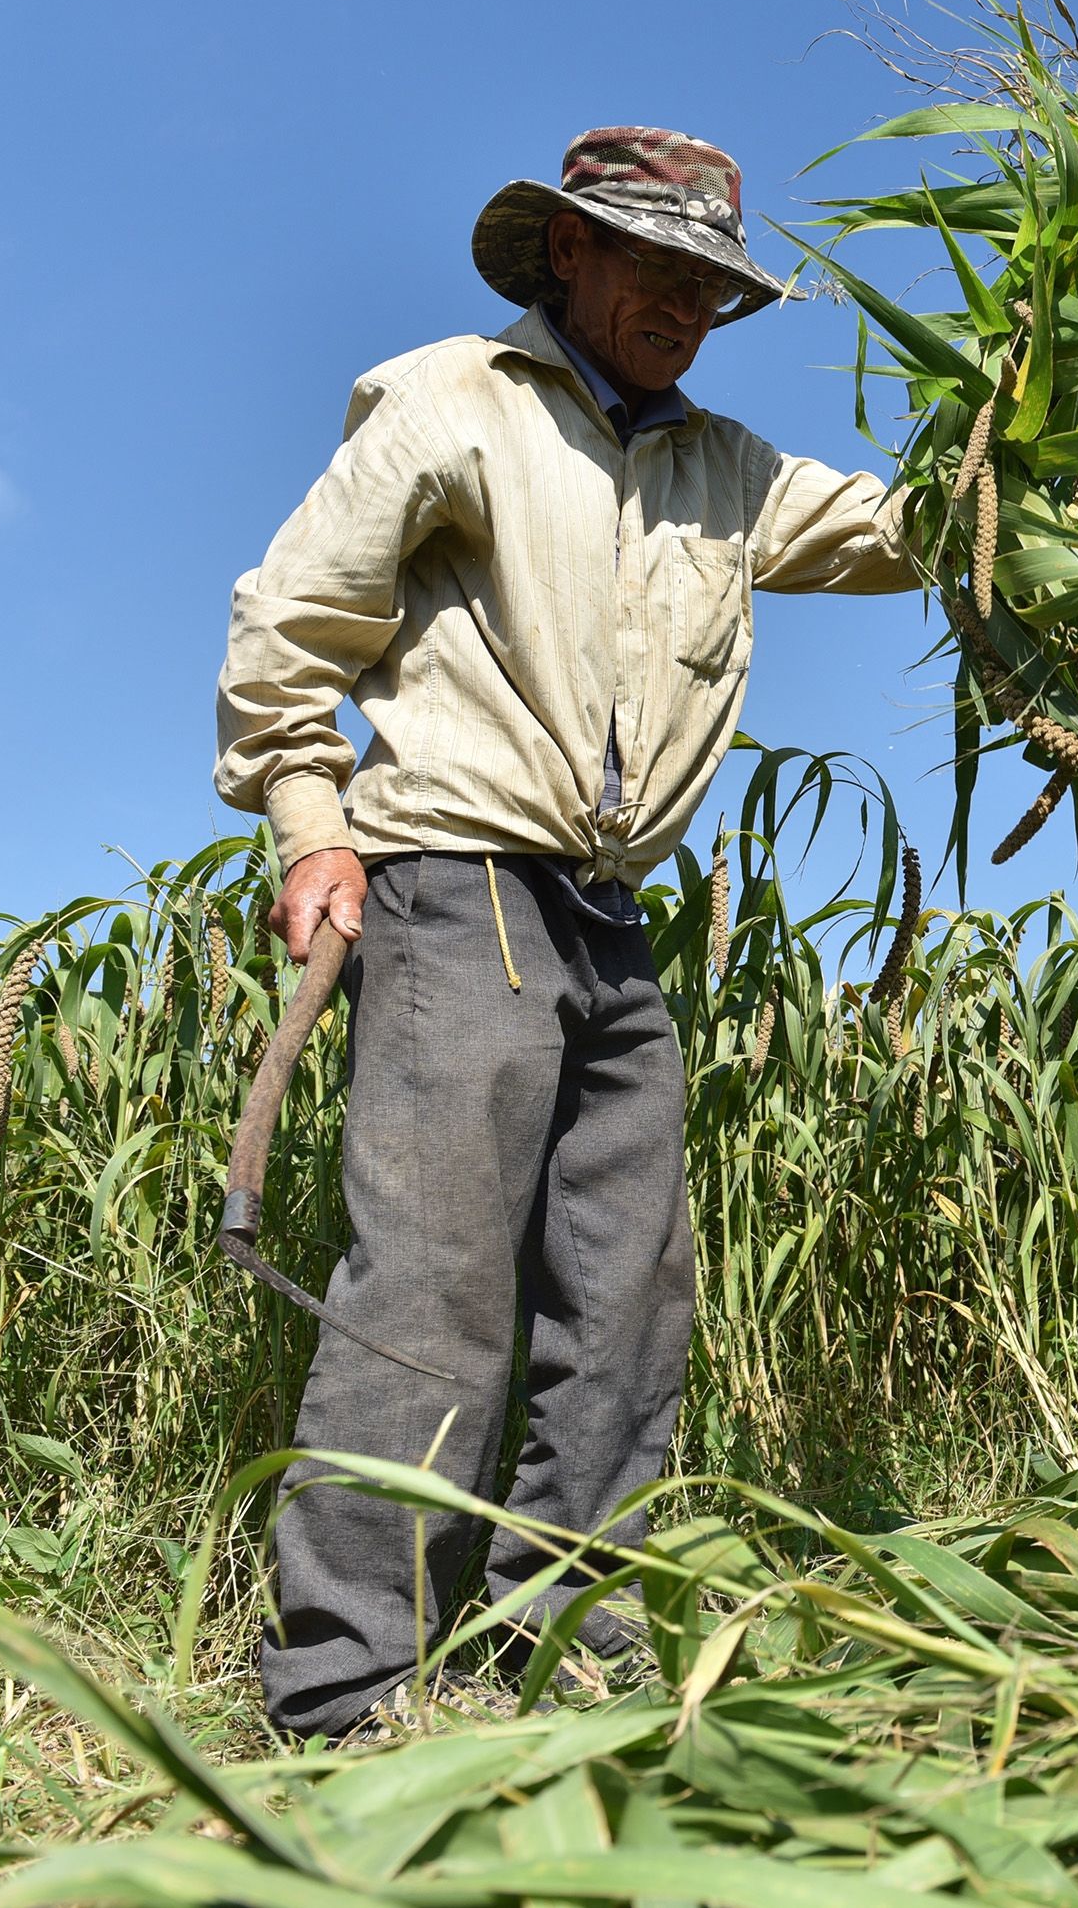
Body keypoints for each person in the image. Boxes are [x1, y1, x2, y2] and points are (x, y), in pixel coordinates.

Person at [213, 126, 915, 1740]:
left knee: (629, 1300)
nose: (682, 300)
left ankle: (572, 1653)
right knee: (440, 1283)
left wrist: (1034, 435)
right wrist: (312, 824)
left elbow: (911, 532)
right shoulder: (452, 400)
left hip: (611, 921)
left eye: (710, 282)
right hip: (461, 884)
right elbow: (291, 619)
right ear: (570, 256)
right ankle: (346, 1694)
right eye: (655, 265)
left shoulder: (728, 471)